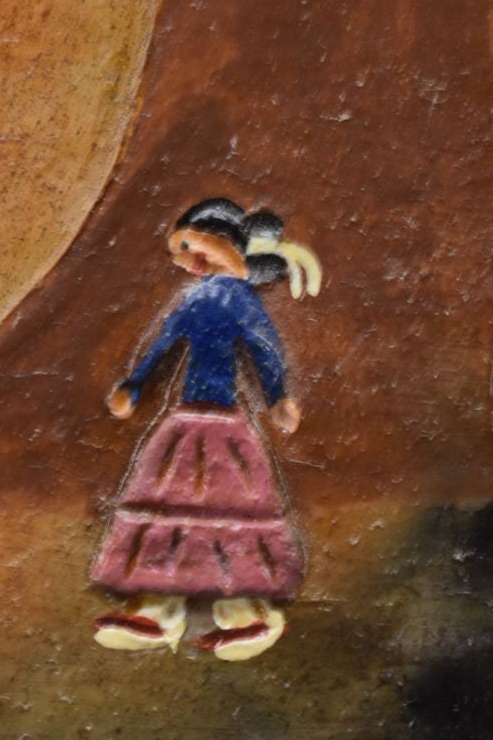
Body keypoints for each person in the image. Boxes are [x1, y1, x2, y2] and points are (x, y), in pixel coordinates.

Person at [90, 198, 321, 661]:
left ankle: (244, 609)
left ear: (229, 247)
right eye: (183, 252)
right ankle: (157, 607)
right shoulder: (194, 299)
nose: (191, 262)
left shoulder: (239, 301)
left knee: (226, 507)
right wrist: (136, 383)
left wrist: (278, 396)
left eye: (197, 249)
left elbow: (264, 347)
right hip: (187, 415)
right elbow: (164, 342)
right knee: (172, 504)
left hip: (223, 419)